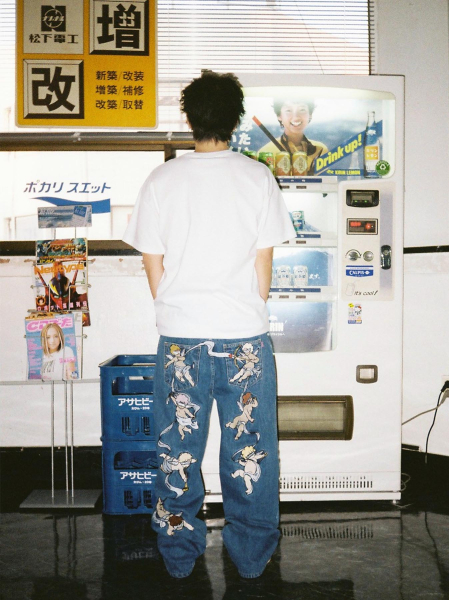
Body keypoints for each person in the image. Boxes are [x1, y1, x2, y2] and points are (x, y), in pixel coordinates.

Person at [123, 70, 296, 580]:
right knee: (250, 450)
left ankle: (178, 555)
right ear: (235, 119)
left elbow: (152, 261)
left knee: (176, 450)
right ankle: (251, 555)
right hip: (244, 337)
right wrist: (247, 305)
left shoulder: (162, 180)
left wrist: (174, 307)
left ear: (189, 118)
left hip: (181, 340)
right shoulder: (257, 177)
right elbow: (263, 264)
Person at [258, 98, 328, 174]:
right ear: (279, 116)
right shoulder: (266, 152)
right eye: (288, 111)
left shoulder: (321, 150)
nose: (296, 117)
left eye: (302, 110)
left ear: (310, 115)